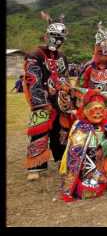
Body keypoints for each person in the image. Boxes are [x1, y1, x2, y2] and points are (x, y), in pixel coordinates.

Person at [23, 11, 72, 181]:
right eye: (53, 36)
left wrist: (68, 97)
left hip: (60, 99)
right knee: (39, 130)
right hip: (42, 99)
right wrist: (39, 102)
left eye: (60, 37)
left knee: (61, 131)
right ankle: (36, 165)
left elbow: (65, 77)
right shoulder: (34, 55)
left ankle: (61, 160)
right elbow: (32, 80)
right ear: (46, 36)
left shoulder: (62, 57)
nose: (56, 40)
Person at [59, 89, 107, 201]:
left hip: (102, 161)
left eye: (101, 110)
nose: (98, 113)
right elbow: (75, 156)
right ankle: (93, 178)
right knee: (88, 190)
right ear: (86, 111)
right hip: (87, 167)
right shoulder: (81, 128)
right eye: (94, 110)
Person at [78, 22, 107, 93]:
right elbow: (83, 84)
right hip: (92, 100)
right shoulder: (89, 67)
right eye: (100, 52)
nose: (104, 55)